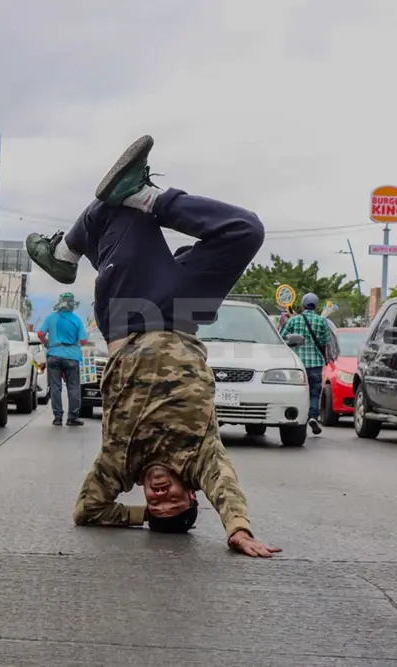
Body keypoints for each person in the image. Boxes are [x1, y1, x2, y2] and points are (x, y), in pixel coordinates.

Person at [24, 135, 281, 557]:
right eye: (173, 503)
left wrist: (141, 516)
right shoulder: (199, 458)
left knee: (119, 211)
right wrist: (238, 530)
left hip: (131, 316)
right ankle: (140, 200)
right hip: (184, 314)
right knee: (246, 230)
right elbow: (227, 490)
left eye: (155, 504)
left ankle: (65, 254)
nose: (161, 496)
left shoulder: (121, 463)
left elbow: (87, 510)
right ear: (193, 493)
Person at [280, 293, 332, 436]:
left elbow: (282, 337)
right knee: (314, 392)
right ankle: (313, 416)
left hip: (297, 364)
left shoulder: (294, 320)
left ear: (303, 305)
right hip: (315, 363)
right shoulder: (322, 321)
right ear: (316, 306)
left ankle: (296, 416)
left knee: (297, 392)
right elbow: (325, 342)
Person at [37, 292, 90, 426]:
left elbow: (40, 334)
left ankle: (58, 417)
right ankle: (72, 417)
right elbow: (84, 341)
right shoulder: (76, 320)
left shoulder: (51, 317)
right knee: (73, 387)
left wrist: (48, 343)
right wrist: (75, 346)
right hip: (72, 357)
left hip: (54, 355)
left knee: (55, 387)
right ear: (72, 305)